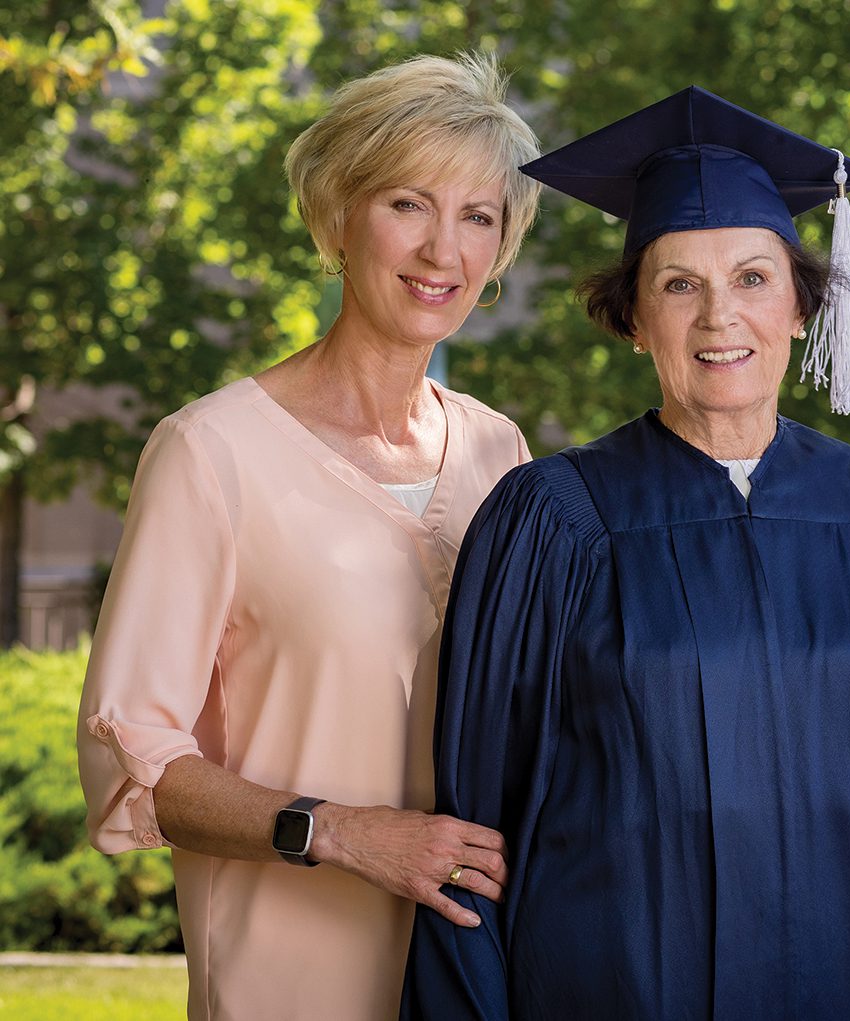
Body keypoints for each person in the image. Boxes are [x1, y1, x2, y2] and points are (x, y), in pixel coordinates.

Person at [401, 87, 850, 1020]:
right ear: (635, 320)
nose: (719, 316)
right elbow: (472, 844)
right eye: (679, 284)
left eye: (754, 278)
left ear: (805, 308)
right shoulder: (550, 524)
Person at [76, 52, 542, 1020]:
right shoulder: (211, 454)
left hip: (473, 983)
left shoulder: (504, 454)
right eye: (409, 203)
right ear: (337, 215)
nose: (441, 250)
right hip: (284, 989)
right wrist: (341, 831)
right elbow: (135, 760)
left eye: (478, 216)